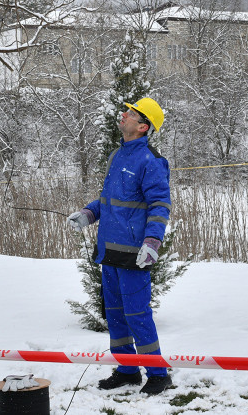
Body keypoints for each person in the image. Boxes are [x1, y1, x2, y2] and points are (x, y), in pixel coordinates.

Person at [66, 97, 174, 396]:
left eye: (130, 113)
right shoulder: (117, 155)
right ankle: (127, 370)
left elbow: (160, 205)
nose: (122, 115)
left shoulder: (152, 161)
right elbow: (107, 200)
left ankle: (158, 373)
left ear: (142, 126)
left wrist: (153, 241)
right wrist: (89, 213)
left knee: (137, 314)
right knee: (114, 313)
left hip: (134, 254)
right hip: (109, 251)